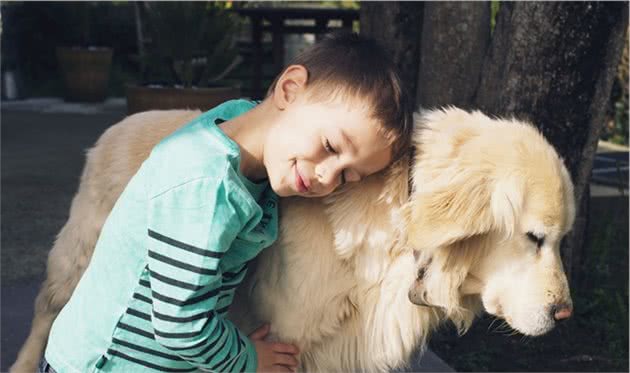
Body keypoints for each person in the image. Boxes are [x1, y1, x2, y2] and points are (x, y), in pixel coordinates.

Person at [42, 31, 413, 373]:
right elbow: (179, 323)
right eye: (330, 146)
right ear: (289, 89)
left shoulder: (239, 125)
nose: (328, 177)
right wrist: (247, 360)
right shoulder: (206, 186)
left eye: (349, 176)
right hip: (107, 364)